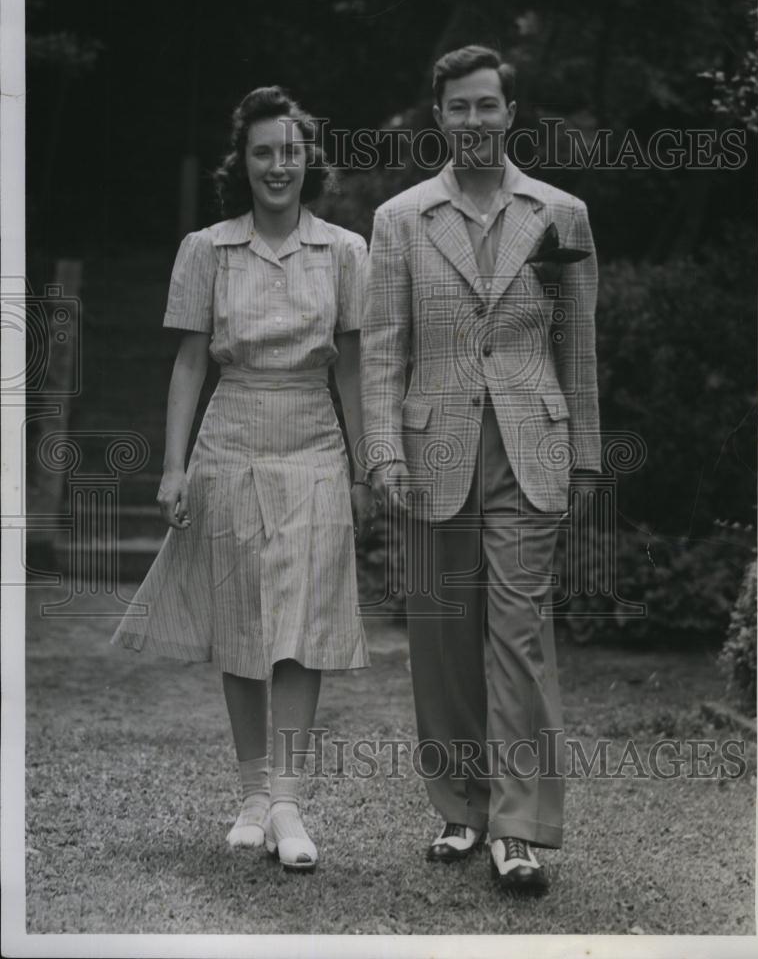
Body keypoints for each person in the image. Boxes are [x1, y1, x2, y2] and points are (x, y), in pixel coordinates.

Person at [112, 86, 373, 873]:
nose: (277, 166)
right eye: (263, 151)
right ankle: (254, 793)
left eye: (290, 151)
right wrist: (173, 464)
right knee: (242, 619)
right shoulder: (207, 249)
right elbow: (189, 360)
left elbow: (355, 368)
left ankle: (289, 799)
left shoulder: (346, 252)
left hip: (314, 446)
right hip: (229, 440)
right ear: (245, 162)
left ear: (307, 159)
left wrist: (365, 466)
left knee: (304, 621)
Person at [360, 45, 601, 892]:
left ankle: (519, 829)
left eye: (487, 105)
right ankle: (461, 810)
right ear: (438, 116)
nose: (473, 121)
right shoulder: (400, 220)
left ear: (510, 111)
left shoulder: (559, 213)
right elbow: (383, 349)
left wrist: (589, 455)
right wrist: (384, 448)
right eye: (458, 106)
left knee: (520, 632)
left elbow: (580, 346)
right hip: (435, 447)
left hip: (531, 447)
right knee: (440, 637)